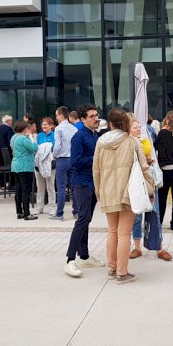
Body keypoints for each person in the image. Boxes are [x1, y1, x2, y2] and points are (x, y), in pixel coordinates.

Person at [94, 108, 154, 285]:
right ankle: (122, 272)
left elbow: (95, 170)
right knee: (124, 233)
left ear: (111, 124)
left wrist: (99, 191)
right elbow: (144, 168)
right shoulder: (131, 141)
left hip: (107, 191)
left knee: (112, 232)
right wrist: (150, 190)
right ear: (126, 123)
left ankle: (112, 268)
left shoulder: (100, 142)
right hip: (129, 192)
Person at [64, 104, 104, 277]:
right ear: (82, 119)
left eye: (96, 115)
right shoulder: (79, 137)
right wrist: (96, 158)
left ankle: (85, 256)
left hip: (93, 182)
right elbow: (75, 162)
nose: (96, 118)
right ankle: (70, 260)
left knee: (86, 219)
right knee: (83, 218)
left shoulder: (95, 135)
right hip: (81, 182)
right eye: (92, 116)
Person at [127, 116, 172, 262]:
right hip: (135, 183)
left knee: (154, 214)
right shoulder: (127, 143)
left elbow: (150, 158)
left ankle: (159, 247)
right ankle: (137, 247)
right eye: (135, 127)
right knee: (136, 216)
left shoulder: (145, 141)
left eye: (138, 127)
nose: (138, 129)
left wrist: (148, 161)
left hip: (148, 182)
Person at [50, 106, 78, 221]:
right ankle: (76, 211)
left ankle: (59, 213)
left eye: (57, 115)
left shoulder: (58, 129)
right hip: (72, 159)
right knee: (74, 187)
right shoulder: (74, 129)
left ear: (61, 115)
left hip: (62, 159)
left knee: (61, 187)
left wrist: (54, 154)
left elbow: (58, 145)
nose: (56, 118)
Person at [11, 120, 38, 220]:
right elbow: (34, 148)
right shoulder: (23, 139)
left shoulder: (14, 137)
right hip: (25, 166)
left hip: (16, 166)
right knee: (26, 190)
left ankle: (19, 212)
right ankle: (27, 213)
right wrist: (34, 139)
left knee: (18, 190)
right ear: (25, 128)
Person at [34, 117, 56, 216]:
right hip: (39, 164)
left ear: (51, 125)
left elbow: (54, 149)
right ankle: (40, 207)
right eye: (42, 124)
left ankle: (52, 207)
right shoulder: (39, 136)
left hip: (50, 164)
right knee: (40, 187)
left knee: (50, 187)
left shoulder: (54, 136)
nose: (44, 126)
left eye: (46, 124)